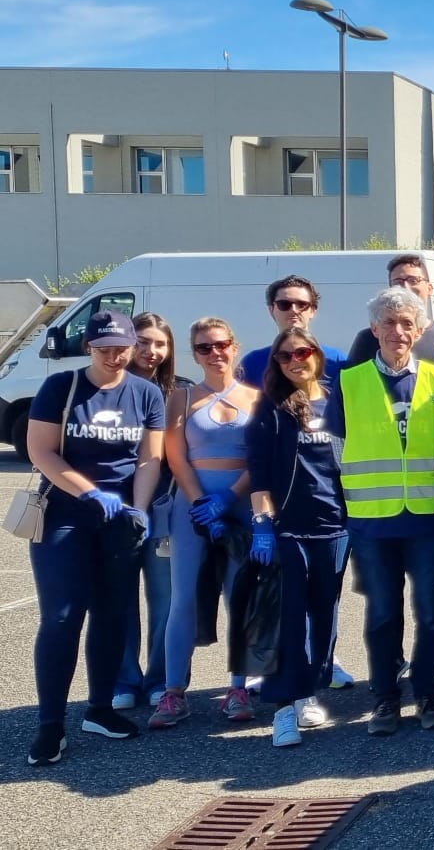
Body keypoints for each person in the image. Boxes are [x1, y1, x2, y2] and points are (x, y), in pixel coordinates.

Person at [26, 310, 165, 765]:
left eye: (121, 347)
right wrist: (91, 493)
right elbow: (41, 451)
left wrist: (138, 510)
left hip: (119, 521)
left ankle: (100, 709)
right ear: (88, 346)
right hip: (65, 516)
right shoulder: (61, 388)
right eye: (104, 348)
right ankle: (51, 725)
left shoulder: (145, 393)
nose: (114, 355)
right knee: (63, 617)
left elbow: (149, 459)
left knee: (112, 615)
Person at [330, 286, 434, 736]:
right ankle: (385, 699)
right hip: (372, 520)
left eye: (406, 324)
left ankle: (426, 693)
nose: (397, 332)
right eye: (389, 323)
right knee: (383, 614)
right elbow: (336, 450)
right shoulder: (350, 380)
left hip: (426, 518)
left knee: (430, 612)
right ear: (374, 329)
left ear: (419, 330)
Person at [149, 318, 262, 729]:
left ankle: (238, 687)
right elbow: (174, 455)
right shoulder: (180, 397)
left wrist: (229, 499)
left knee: (241, 597)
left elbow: (259, 458)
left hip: (241, 505)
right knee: (183, 599)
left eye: (221, 345)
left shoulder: (256, 397)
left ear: (234, 347)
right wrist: (200, 502)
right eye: (203, 348)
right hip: (191, 508)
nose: (214, 353)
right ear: (194, 354)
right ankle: (172, 691)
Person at [245, 328, 348, 747]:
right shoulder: (270, 409)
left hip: (336, 527)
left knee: (325, 618)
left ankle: (308, 689)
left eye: (302, 352)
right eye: (285, 356)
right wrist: (263, 524)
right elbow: (259, 474)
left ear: (317, 356)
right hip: (288, 529)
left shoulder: (339, 403)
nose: (295, 361)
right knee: (288, 618)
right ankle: (285, 708)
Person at [113, 313, 189, 712]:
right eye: (143, 341)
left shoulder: (182, 392)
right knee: (120, 599)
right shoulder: (108, 389)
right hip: (115, 513)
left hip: (164, 514)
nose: (152, 351)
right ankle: (125, 679)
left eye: (161, 344)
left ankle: (161, 680)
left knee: (165, 601)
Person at [347, 254, 434, 365]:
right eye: (398, 282)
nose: (406, 287)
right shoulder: (369, 338)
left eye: (413, 280)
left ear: (429, 288)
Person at [238, 275, 347, 388]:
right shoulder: (252, 363)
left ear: (313, 311)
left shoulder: (336, 360)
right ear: (271, 310)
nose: (293, 310)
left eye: (301, 304)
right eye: (284, 304)